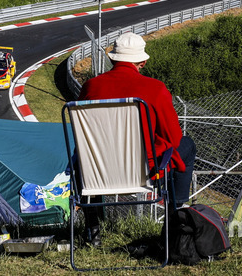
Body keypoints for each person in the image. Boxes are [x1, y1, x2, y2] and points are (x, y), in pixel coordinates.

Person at [77, 32, 196, 245]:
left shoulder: (91, 86)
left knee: (83, 156)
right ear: (143, 61)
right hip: (143, 170)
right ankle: (174, 221)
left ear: (112, 58)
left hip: (96, 170)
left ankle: (92, 232)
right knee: (187, 145)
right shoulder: (154, 89)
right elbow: (174, 137)